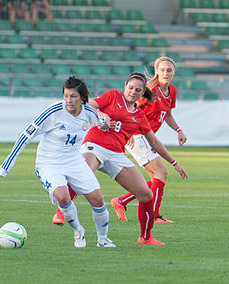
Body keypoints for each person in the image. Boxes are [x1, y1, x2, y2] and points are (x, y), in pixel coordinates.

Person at [53, 72, 187, 245]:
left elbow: (154, 141)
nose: (133, 92)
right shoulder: (113, 96)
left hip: (117, 154)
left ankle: (145, 238)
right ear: (125, 86)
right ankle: (61, 210)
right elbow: (89, 106)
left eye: (138, 90)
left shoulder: (139, 115)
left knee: (146, 194)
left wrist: (174, 163)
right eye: (131, 88)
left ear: (142, 93)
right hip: (95, 145)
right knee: (84, 173)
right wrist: (101, 115)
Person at [0, 76, 116, 248]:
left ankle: (103, 239)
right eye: (66, 95)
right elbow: (26, 135)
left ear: (82, 98)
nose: (69, 100)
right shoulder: (53, 112)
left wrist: (105, 123)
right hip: (49, 163)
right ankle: (78, 231)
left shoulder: (88, 114)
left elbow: (101, 122)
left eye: (73, 96)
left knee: (97, 199)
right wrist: (7, 164)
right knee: (62, 195)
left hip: (75, 161)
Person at [111, 57, 187, 224]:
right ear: (156, 72)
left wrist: (178, 130)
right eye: (162, 70)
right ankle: (154, 215)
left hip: (147, 136)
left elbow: (167, 114)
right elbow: (132, 108)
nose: (165, 73)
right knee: (162, 173)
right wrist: (128, 133)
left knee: (155, 180)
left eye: (169, 70)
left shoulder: (172, 91)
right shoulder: (150, 90)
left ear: (174, 72)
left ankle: (121, 201)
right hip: (137, 135)